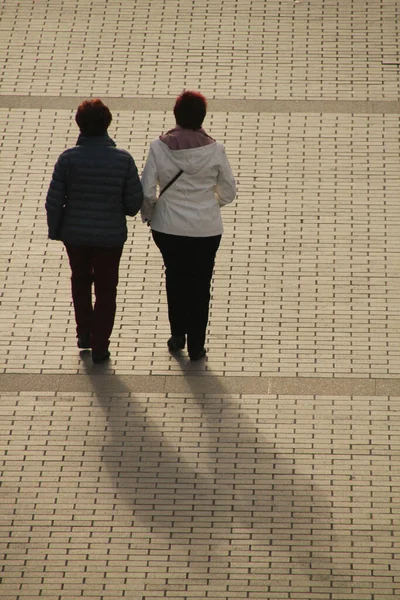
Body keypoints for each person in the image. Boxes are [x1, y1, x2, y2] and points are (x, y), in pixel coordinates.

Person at [46, 98, 143, 364]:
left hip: (74, 235)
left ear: (80, 125)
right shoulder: (123, 159)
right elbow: (134, 202)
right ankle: (100, 345)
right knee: (106, 289)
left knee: (80, 279)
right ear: (107, 124)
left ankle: (84, 333)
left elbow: (54, 200)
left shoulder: (67, 159)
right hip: (110, 237)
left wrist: (56, 230)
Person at [141, 90, 236, 361]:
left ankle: (177, 334)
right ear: (202, 117)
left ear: (176, 115)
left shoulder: (158, 147)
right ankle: (197, 344)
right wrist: (209, 203)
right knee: (200, 283)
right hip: (205, 230)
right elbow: (229, 191)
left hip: (168, 227)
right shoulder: (216, 149)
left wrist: (150, 214)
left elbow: (148, 191)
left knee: (175, 277)